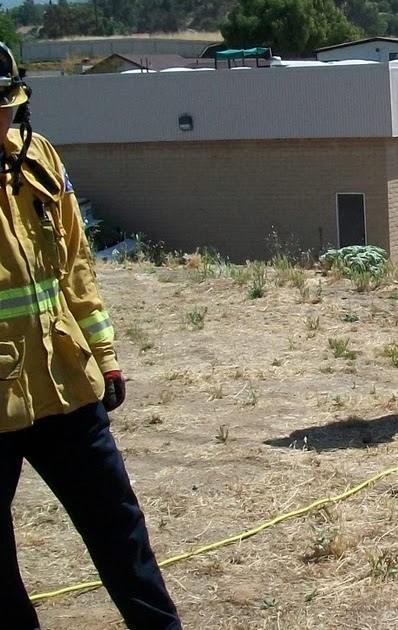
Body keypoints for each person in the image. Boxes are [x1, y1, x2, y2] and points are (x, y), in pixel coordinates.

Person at [0, 44, 182, 629]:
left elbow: (76, 264)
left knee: (120, 527)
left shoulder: (39, 158)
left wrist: (104, 355)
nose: (1, 122)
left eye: (6, 108)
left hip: (64, 380)